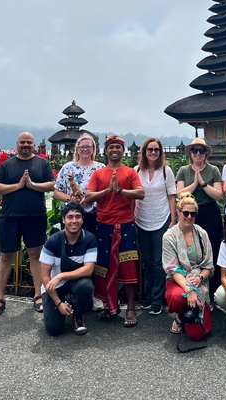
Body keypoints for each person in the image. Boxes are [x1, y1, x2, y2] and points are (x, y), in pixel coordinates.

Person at [0, 132, 55, 318]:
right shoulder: (7, 165)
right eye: (22, 142)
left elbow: (52, 185)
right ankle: (0, 298)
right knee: (6, 256)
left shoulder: (43, 164)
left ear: (34, 145)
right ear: (17, 144)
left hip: (35, 216)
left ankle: (38, 296)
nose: (26, 145)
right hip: (9, 216)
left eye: (29, 142)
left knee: (35, 255)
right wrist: (17, 186)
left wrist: (32, 185)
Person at [85, 135, 145, 327]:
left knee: (128, 266)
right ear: (106, 151)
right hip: (103, 225)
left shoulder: (129, 172)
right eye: (111, 148)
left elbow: (140, 193)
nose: (115, 151)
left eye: (118, 147)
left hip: (125, 224)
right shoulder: (98, 174)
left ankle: (130, 307)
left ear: (122, 150)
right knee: (103, 267)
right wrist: (107, 191)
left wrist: (120, 191)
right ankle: (109, 306)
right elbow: (88, 197)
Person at [53, 133, 105, 311]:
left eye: (88, 146)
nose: (85, 149)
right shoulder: (68, 168)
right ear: (77, 149)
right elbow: (56, 192)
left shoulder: (100, 168)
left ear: (93, 149)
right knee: (68, 253)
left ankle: (94, 293)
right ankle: (66, 292)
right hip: (71, 216)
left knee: (92, 255)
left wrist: (92, 200)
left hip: (92, 216)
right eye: (82, 146)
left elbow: (106, 192)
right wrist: (70, 199)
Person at [176, 137, 223, 301]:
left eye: (201, 150)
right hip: (189, 213)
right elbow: (180, 193)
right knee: (190, 251)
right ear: (190, 153)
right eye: (195, 150)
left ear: (205, 153)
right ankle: (190, 290)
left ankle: (214, 294)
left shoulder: (213, 170)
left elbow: (218, 194)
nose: (198, 153)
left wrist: (203, 183)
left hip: (209, 211)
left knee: (212, 251)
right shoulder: (184, 170)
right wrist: (195, 183)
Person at [40, 202, 97, 336]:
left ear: (83, 219)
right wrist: (58, 303)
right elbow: (44, 276)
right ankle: (58, 307)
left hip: (73, 283)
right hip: (52, 287)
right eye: (70, 217)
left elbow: (88, 270)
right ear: (63, 220)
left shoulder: (89, 239)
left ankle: (78, 316)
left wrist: (61, 276)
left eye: (78, 217)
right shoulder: (53, 242)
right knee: (54, 330)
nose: (74, 221)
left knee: (86, 285)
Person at [134, 137, 176, 316]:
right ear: (144, 152)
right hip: (141, 220)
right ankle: (148, 295)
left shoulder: (166, 171)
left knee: (159, 262)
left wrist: (173, 220)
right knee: (147, 261)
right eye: (150, 149)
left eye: (156, 150)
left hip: (161, 220)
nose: (153, 153)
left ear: (160, 152)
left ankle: (158, 299)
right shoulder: (136, 171)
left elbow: (172, 196)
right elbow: (133, 196)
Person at [162, 195, 214, 336]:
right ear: (178, 213)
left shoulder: (202, 234)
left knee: (198, 335)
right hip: (178, 279)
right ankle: (180, 316)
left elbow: (208, 265)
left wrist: (200, 279)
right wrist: (189, 290)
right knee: (179, 297)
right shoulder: (169, 236)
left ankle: (193, 314)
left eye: (193, 213)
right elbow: (172, 268)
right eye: (185, 213)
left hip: (198, 279)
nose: (189, 216)